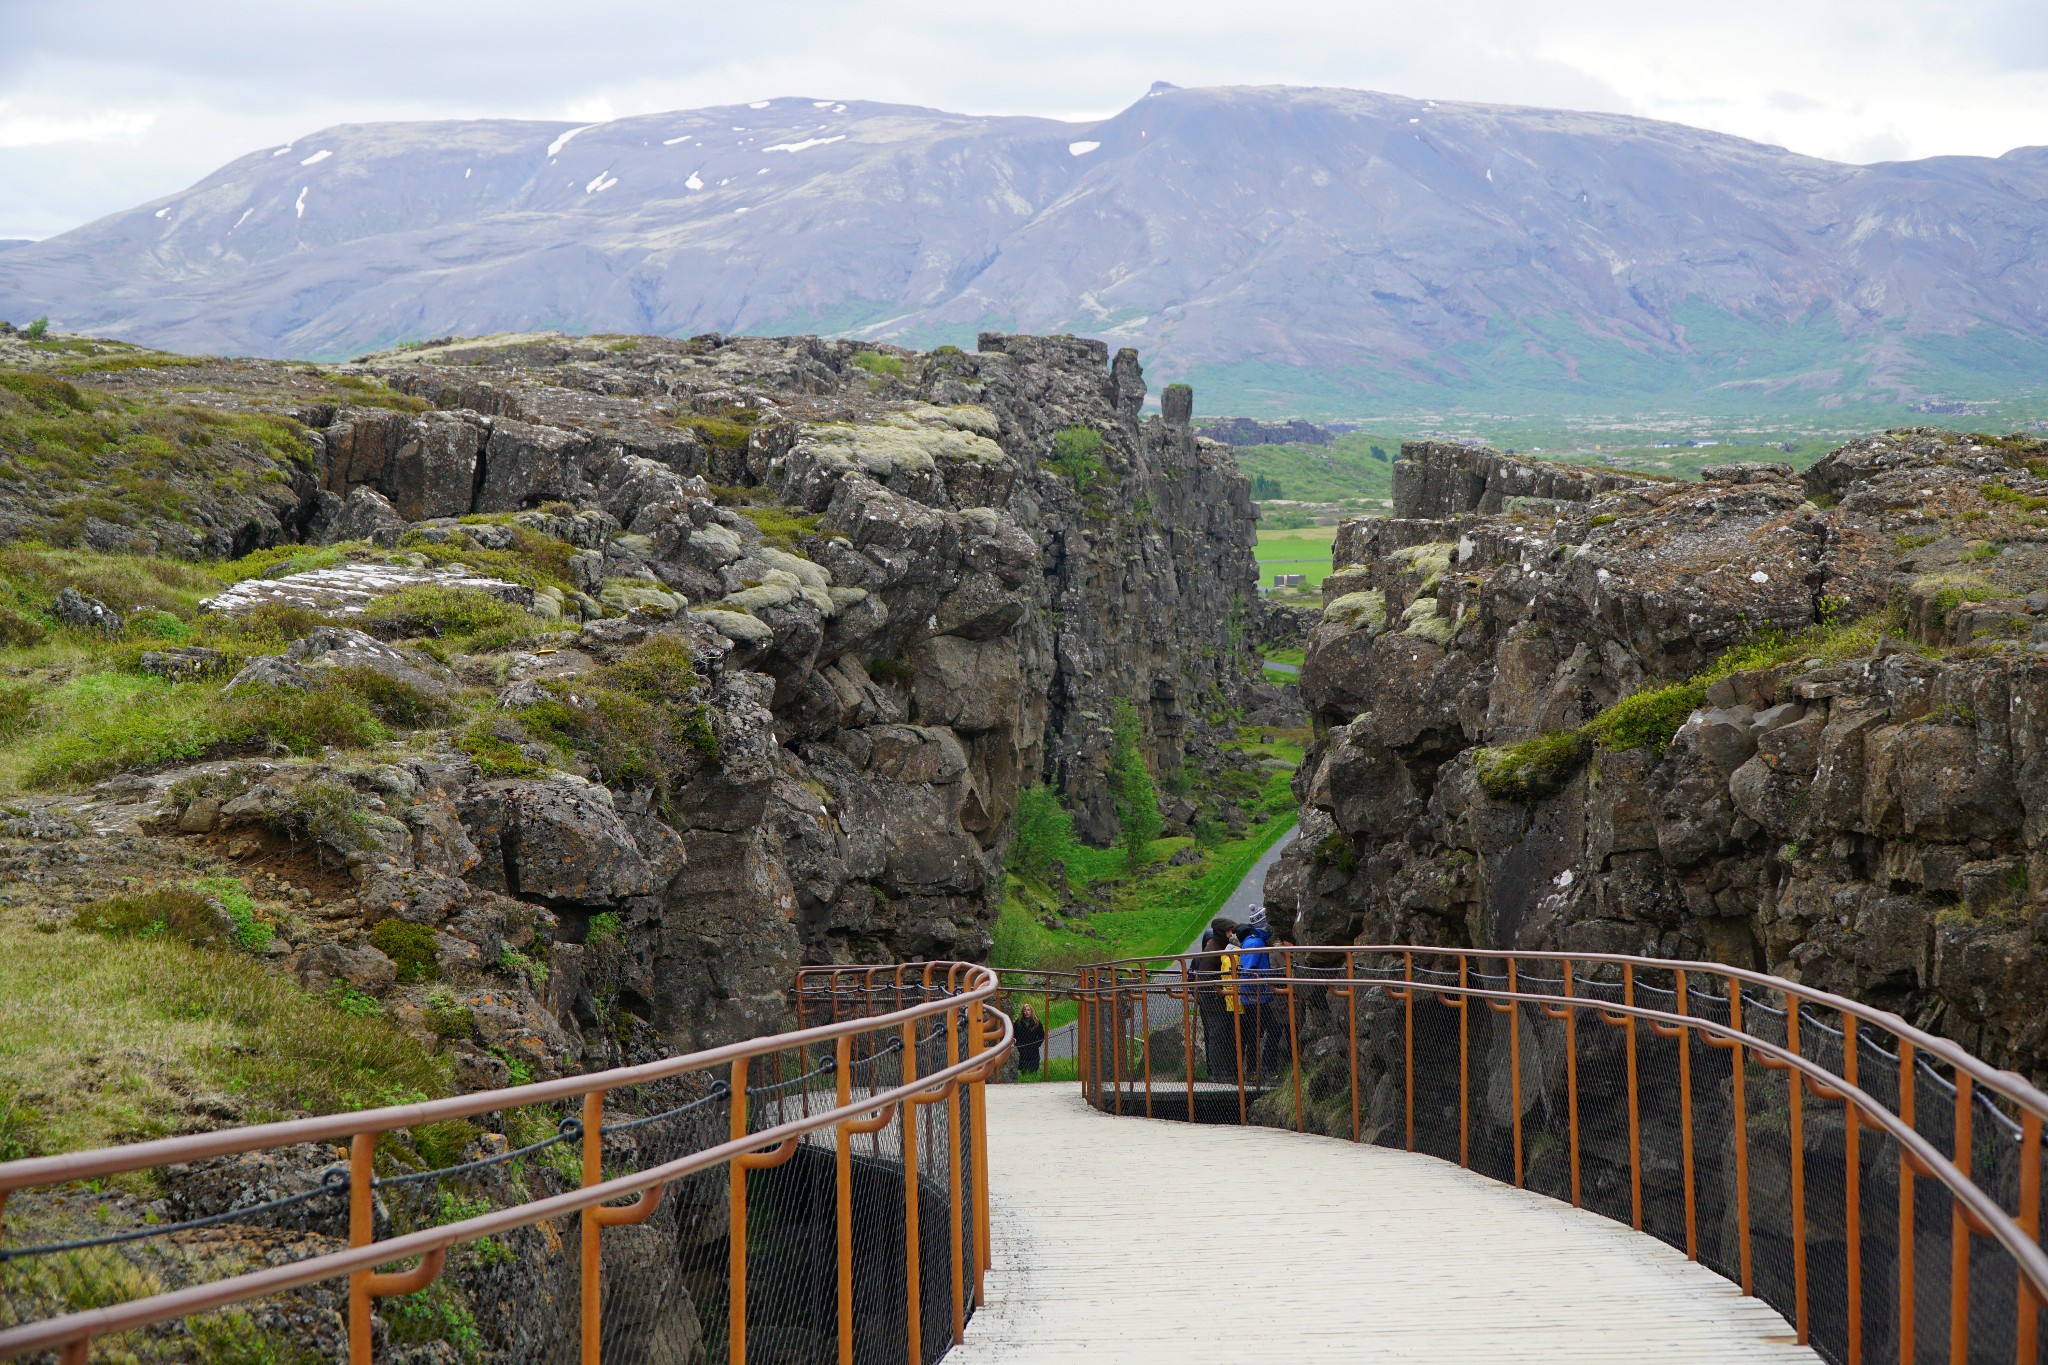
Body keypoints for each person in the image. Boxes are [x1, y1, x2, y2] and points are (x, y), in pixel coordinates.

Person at [1189, 918, 1241, 1084]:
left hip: (1211, 995)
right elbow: (1209, 975)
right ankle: (1218, 1073)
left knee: (1219, 1033)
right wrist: (1221, 990)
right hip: (1212, 997)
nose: (1231, 934)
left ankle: (1221, 1072)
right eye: (1228, 931)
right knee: (1218, 1033)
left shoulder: (1216, 947)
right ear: (1222, 932)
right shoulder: (1215, 950)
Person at [1238, 906, 1285, 1080]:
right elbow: (1247, 971)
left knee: (1256, 1032)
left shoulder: (1256, 941)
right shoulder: (1255, 943)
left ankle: (1255, 1070)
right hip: (1255, 997)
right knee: (1270, 1030)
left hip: (1256, 996)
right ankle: (1265, 1068)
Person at [1014, 1003, 1046, 1077]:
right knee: (1022, 1066)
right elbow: (1013, 1034)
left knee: (1033, 1067)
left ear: (1031, 1011)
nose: (1026, 1012)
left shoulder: (1036, 1022)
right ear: (1022, 1011)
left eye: (1028, 1010)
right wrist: (1015, 1042)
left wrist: (1037, 1045)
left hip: (1033, 1047)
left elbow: (1041, 1036)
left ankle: (1033, 1076)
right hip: (1021, 1047)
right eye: (1025, 1010)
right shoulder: (1018, 1022)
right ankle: (1023, 1075)